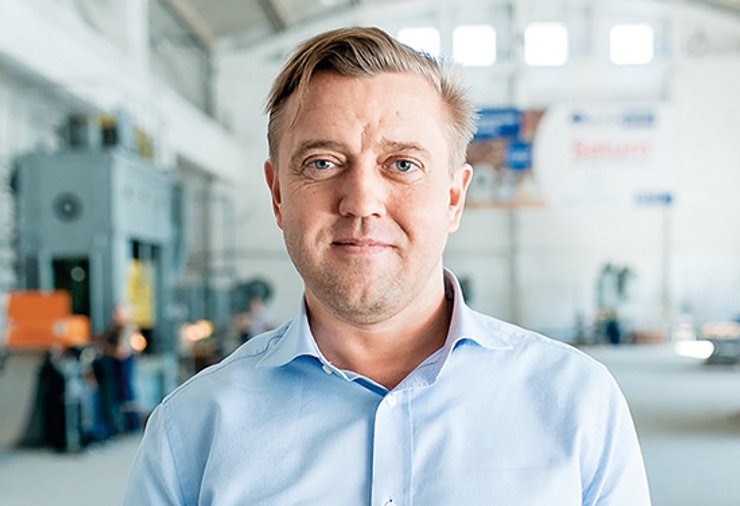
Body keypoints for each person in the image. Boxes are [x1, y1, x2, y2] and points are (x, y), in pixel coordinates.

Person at [125, 27, 651, 505]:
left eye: (402, 164)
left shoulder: (577, 405)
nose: (361, 202)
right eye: (322, 163)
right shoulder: (191, 433)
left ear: (454, 198)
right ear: (278, 194)